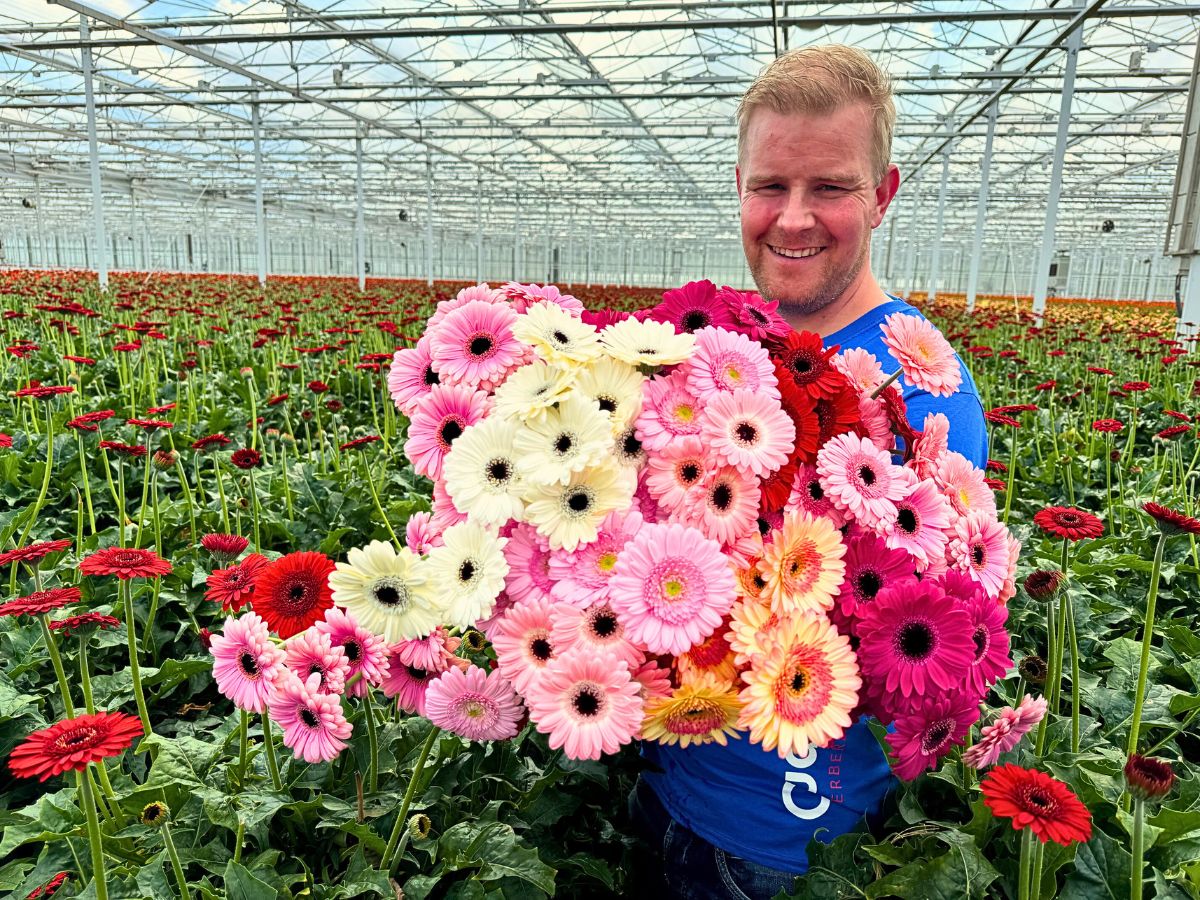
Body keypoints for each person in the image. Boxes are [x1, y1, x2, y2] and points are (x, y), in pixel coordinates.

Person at [628, 45, 989, 899]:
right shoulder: (723, 351)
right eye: (769, 186)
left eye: (829, 187)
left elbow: (913, 632)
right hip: (666, 782)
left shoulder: (920, 389)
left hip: (781, 842)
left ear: (883, 195)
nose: (792, 218)